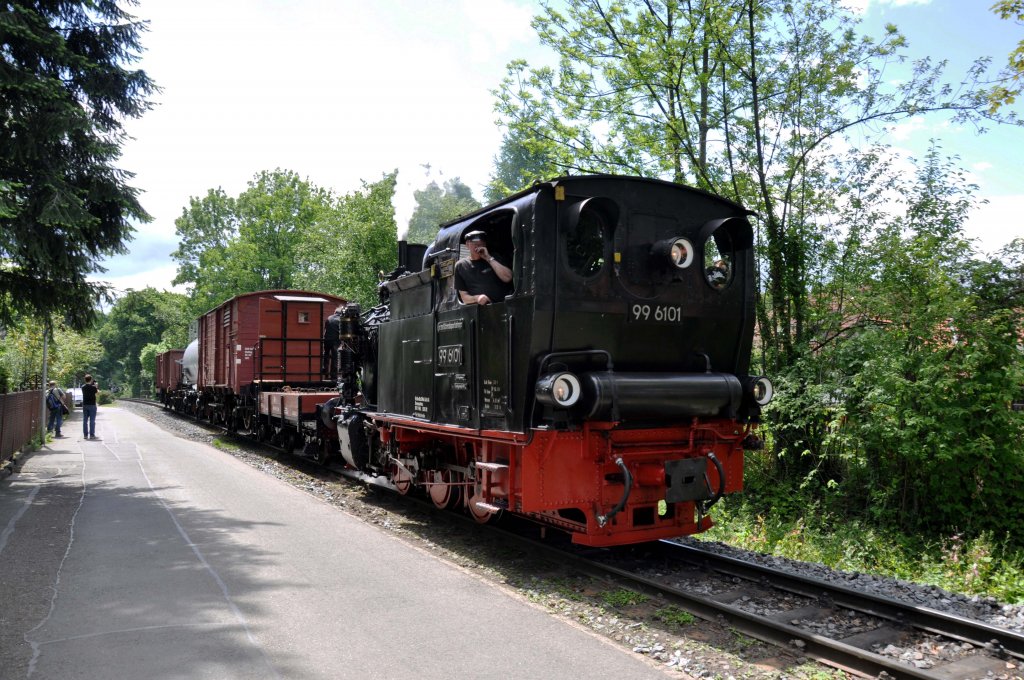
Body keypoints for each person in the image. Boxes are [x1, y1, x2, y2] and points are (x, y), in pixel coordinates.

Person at [454, 230, 512, 305]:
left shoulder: (495, 257)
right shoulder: (461, 265)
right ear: (467, 245)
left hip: (503, 305)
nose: (478, 247)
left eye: (481, 244)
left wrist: (488, 258)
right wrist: (478, 298)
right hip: (481, 311)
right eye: (475, 244)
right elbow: (464, 297)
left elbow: (508, 278)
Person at [323, 305, 343, 380]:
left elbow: (326, 328)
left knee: (326, 355)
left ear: (335, 312)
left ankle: (325, 371)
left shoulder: (329, 317)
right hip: (335, 341)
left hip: (326, 340)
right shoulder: (341, 319)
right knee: (335, 358)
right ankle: (333, 376)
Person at [81, 374, 99, 440]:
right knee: (92, 420)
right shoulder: (93, 387)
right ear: (91, 380)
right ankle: (92, 435)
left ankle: (85, 435)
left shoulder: (83, 387)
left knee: (85, 420)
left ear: (85, 380)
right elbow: (97, 393)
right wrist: (96, 386)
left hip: (85, 405)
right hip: (92, 405)